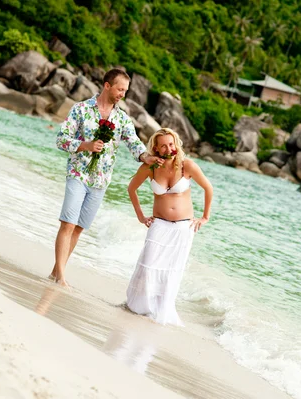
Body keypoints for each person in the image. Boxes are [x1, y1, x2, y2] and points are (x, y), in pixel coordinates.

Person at [50, 69, 163, 286]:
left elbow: (134, 142)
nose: (123, 94)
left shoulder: (121, 118)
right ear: (107, 85)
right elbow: (61, 140)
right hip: (77, 174)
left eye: (126, 90)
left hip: (101, 181)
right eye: (120, 89)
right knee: (68, 223)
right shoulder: (81, 109)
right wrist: (85, 145)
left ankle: (56, 271)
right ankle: (62, 276)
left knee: (79, 228)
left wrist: (145, 157)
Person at [126, 128, 213, 325]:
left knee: (171, 272)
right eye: (164, 145)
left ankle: (160, 312)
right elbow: (131, 188)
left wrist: (205, 217)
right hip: (159, 225)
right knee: (148, 266)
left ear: (176, 144)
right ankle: (139, 307)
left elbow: (209, 188)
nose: (168, 148)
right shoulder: (151, 167)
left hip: (183, 229)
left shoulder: (187, 166)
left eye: (171, 144)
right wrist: (140, 216)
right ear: (156, 147)